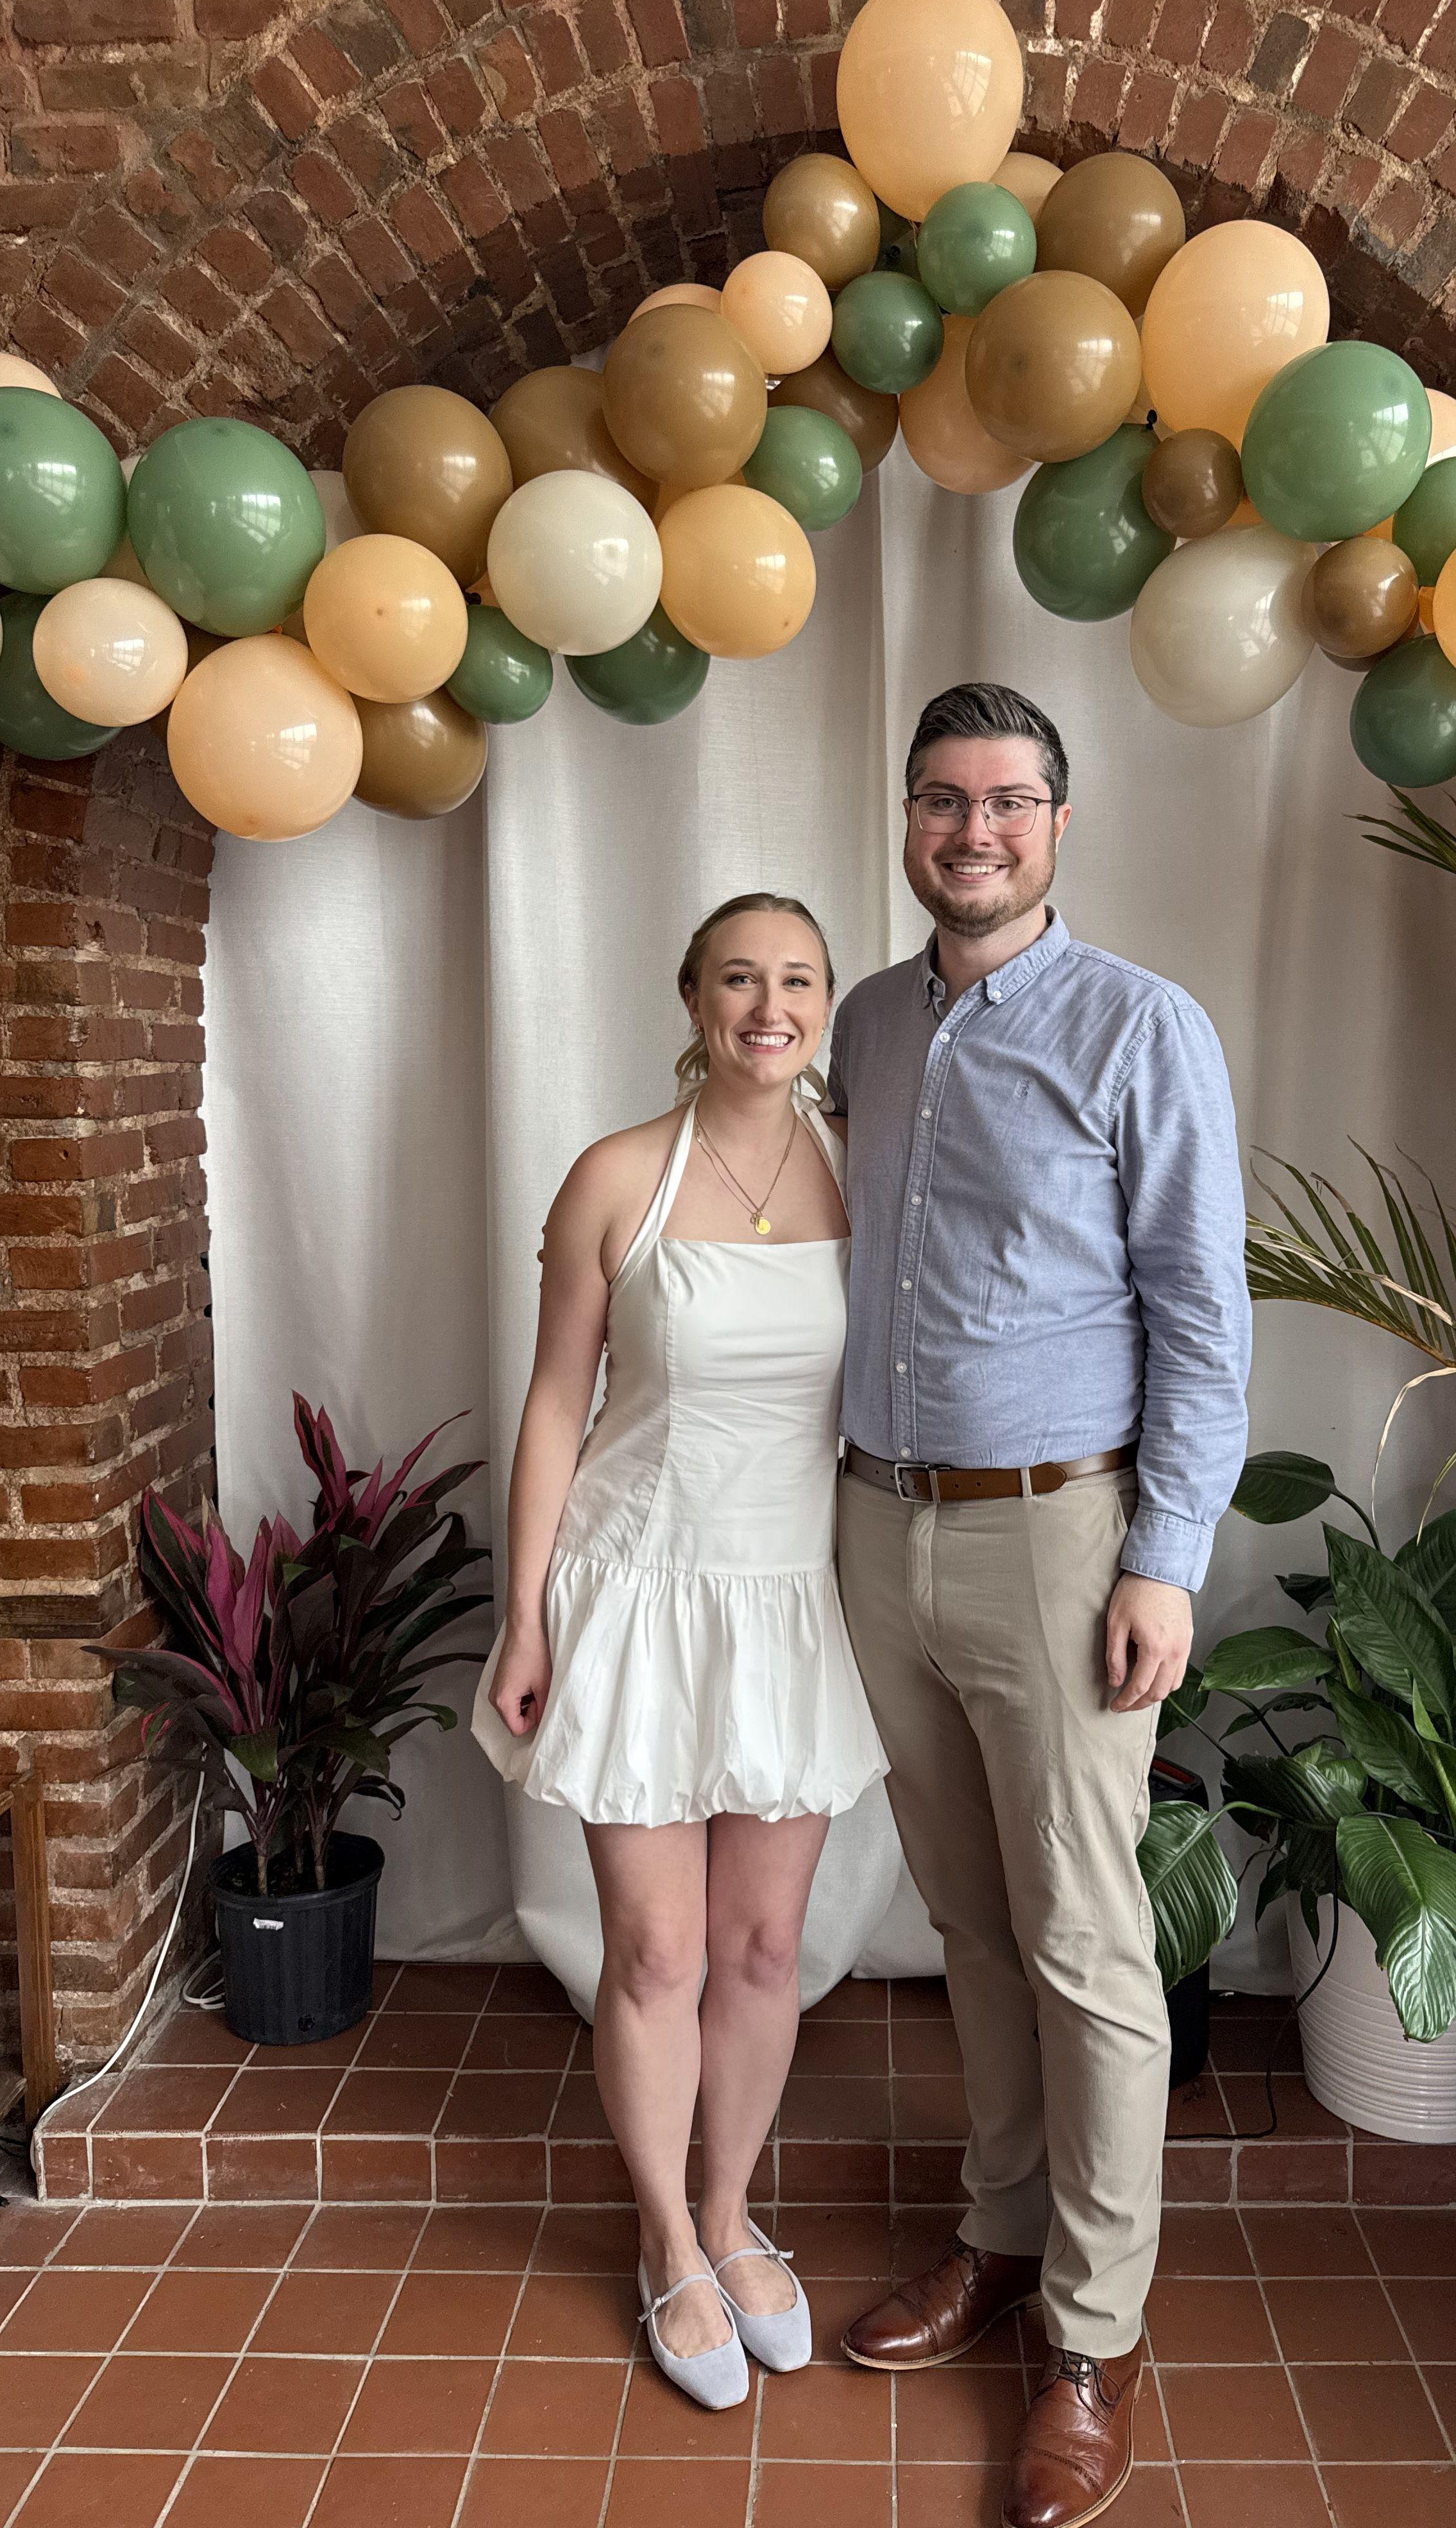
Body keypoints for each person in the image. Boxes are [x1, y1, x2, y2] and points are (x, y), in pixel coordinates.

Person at [828, 683, 1253, 2528]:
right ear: (908, 820)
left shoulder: (1143, 1027)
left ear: (1060, 826)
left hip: (1063, 1540)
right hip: (881, 1530)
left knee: (1087, 1945)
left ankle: (1093, 2334)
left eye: (1009, 801)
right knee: (971, 1922)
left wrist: (1167, 1557)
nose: (974, 831)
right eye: (943, 799)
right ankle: (1001, 2233)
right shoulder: (866, 1022)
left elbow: (1203, 1314)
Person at [473, 893, 889, 2412]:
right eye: (739, 978)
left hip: (794, 1600)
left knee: (766, 1948)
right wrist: (527, 1613)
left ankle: (729, 2215)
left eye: (798, 981)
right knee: (655, 1951)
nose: (769, 1006)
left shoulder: (866, 1170)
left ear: (827, 1006)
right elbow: (554, 1404)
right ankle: (663, 2240)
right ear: (693, 997)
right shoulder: (616, 1176)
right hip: (635, 1593)